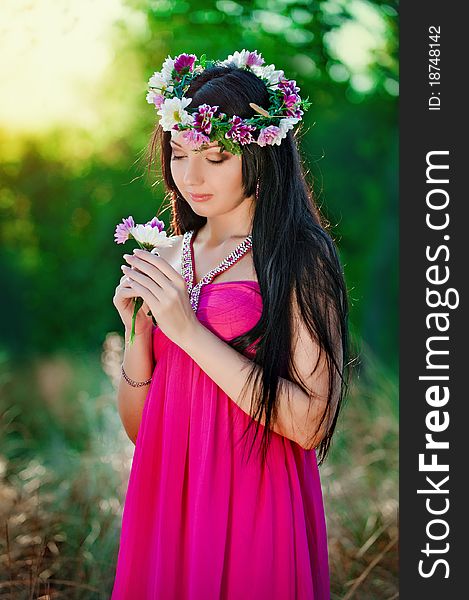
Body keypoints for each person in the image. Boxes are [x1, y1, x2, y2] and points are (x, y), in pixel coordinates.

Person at [111, 50, 352, 599]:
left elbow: (311, 422)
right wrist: (139, 334)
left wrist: (188, 330)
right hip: (168, 497)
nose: (191, 176)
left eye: (216, 156)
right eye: (179, 154)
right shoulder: (168, 254)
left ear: (262, 153)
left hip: (255, 498)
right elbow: (140, 430)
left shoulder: (296, 256)